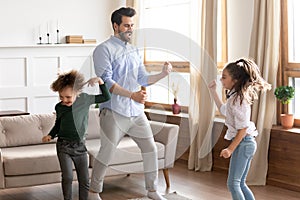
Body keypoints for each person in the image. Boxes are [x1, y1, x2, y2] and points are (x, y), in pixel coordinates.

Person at [88, 7, 172, 200]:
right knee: (107, 152)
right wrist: (131, 95)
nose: (130, 29)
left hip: (136, 112)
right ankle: (93, 192)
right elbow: (107, 83)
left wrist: (162, 74)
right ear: (116, 25)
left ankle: (152, 190)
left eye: (132, 25)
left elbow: (142, 78)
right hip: (114, 111)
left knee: (150, 148)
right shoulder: (103, 50)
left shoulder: (134, 50)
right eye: (126, 25)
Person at [208, 58, 271, 200]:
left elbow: (242, 129)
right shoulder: (234, 97)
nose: (221, 80)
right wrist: (213, 91)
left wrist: (230, 149)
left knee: (233, 184)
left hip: (244, 143)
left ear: (235, 80)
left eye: (224, 77)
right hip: (245, 143)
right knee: (240, 183)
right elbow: (224, 110)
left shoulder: (238, 100)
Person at [42, 70, 111, 200]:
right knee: (67, 176)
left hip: (80, 146)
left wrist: (101, 82)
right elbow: (58, 124)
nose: (64, 100)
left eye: (68, 97)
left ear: (77, 92)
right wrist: (50, 135)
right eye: (61, 97)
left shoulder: (84, 99)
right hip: (63, 146)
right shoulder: (60, 107)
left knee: (84, 179)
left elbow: (106, 97)